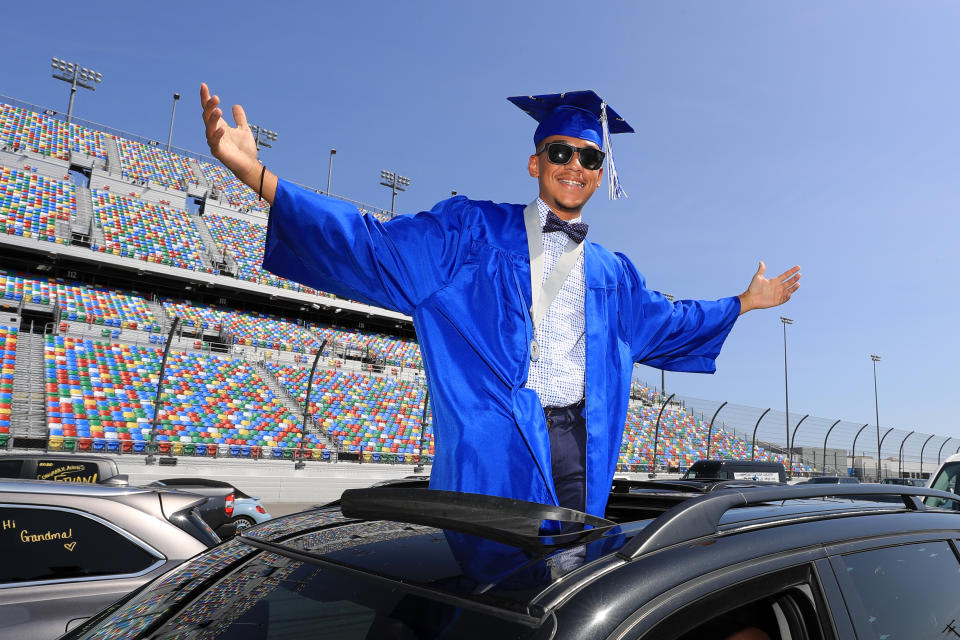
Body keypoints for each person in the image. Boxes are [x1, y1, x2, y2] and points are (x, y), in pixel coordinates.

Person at [199, 84, 799, 523]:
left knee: (569, 573)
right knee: (488, 575)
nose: (575, 166)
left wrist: (743, 303)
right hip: (495, 435)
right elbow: (370, 243)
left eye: (590, 158)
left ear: (599, 175)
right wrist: (255, 172)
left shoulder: (615, 274)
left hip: (578, 444)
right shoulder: (469, 233)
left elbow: (671, 321)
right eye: (561, 152)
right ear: (536, 162)